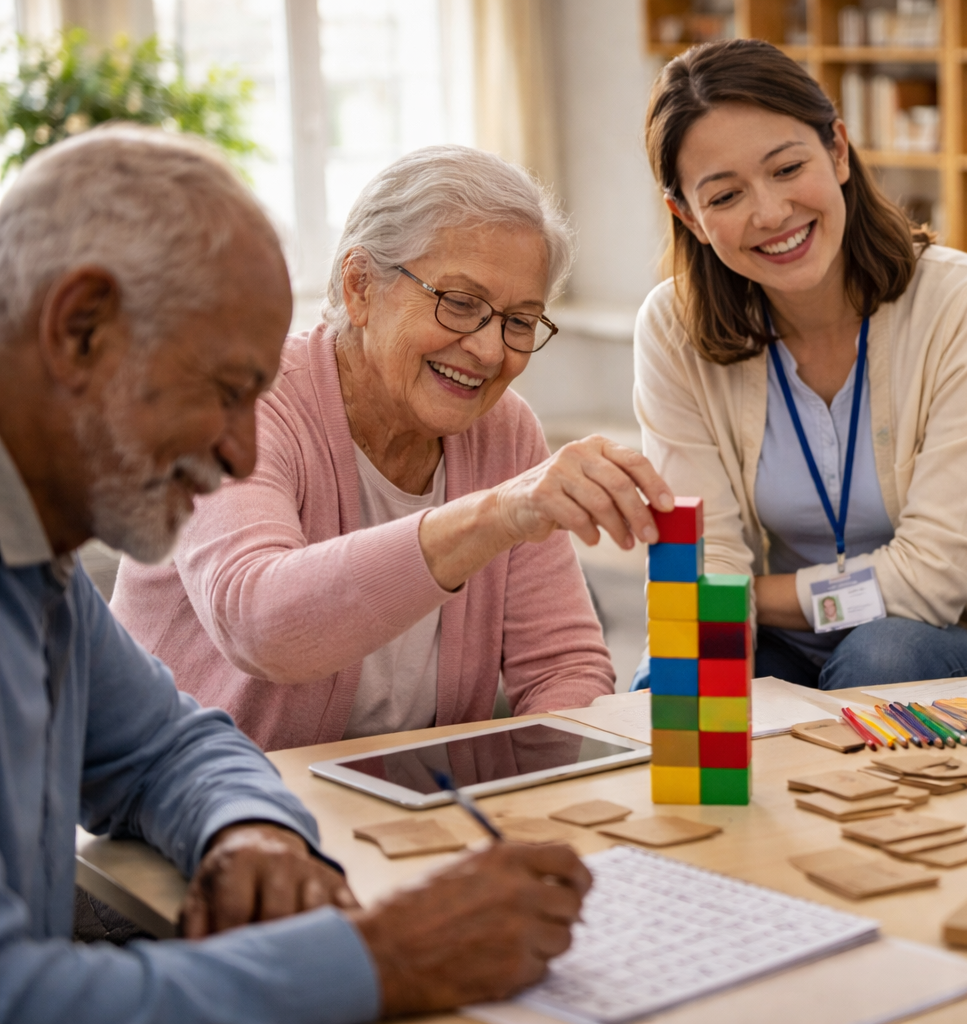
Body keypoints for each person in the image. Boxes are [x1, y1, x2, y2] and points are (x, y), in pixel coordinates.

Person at [0, 126, 594, 1022]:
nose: (240, 449)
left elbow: (164, 747)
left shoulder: (37, 562)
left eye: (515, 320)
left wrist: (249, 830)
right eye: (224, 389)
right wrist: (385, 963)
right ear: (79, 328)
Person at [112, 145, 673, 750]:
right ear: (359, 287)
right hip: (194, 803)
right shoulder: (240, 403)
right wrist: (495, 514)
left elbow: (563, 666)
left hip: (415, 810)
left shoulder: (505, 432)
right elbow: (260, 622)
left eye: (518, 321)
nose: (489, 352)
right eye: (459, 303)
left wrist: (555, 799)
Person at [633, 39, 967, 691]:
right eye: (724, 196)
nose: (770, 214)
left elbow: (930, 581)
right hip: (774, 646)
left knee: (878, 658)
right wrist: (704, 642)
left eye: (786, 168)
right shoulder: (672, 328)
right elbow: (701, 559)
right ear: (686, 215)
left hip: (938, 643)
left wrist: (744, 597)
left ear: (837, 150)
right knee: (672, 683)